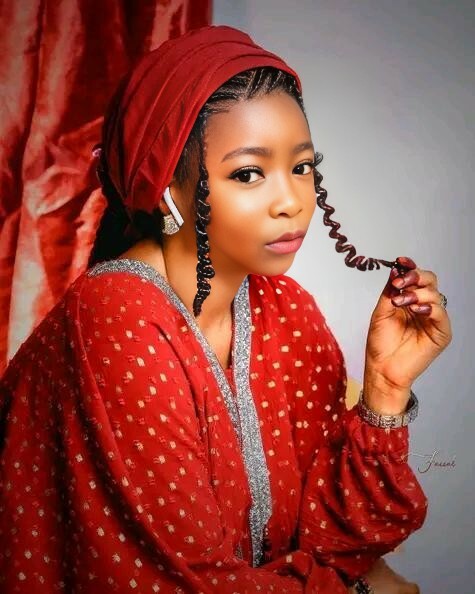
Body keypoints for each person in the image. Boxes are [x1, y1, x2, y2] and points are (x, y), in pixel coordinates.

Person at [0, 24, 451, 594]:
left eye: (302, 167)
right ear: (169, 188)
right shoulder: (116, 318)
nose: (291, 201)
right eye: (248, 173)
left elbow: (334, 540)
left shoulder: (287, 311)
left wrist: (385, 387)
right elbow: (184, 583)